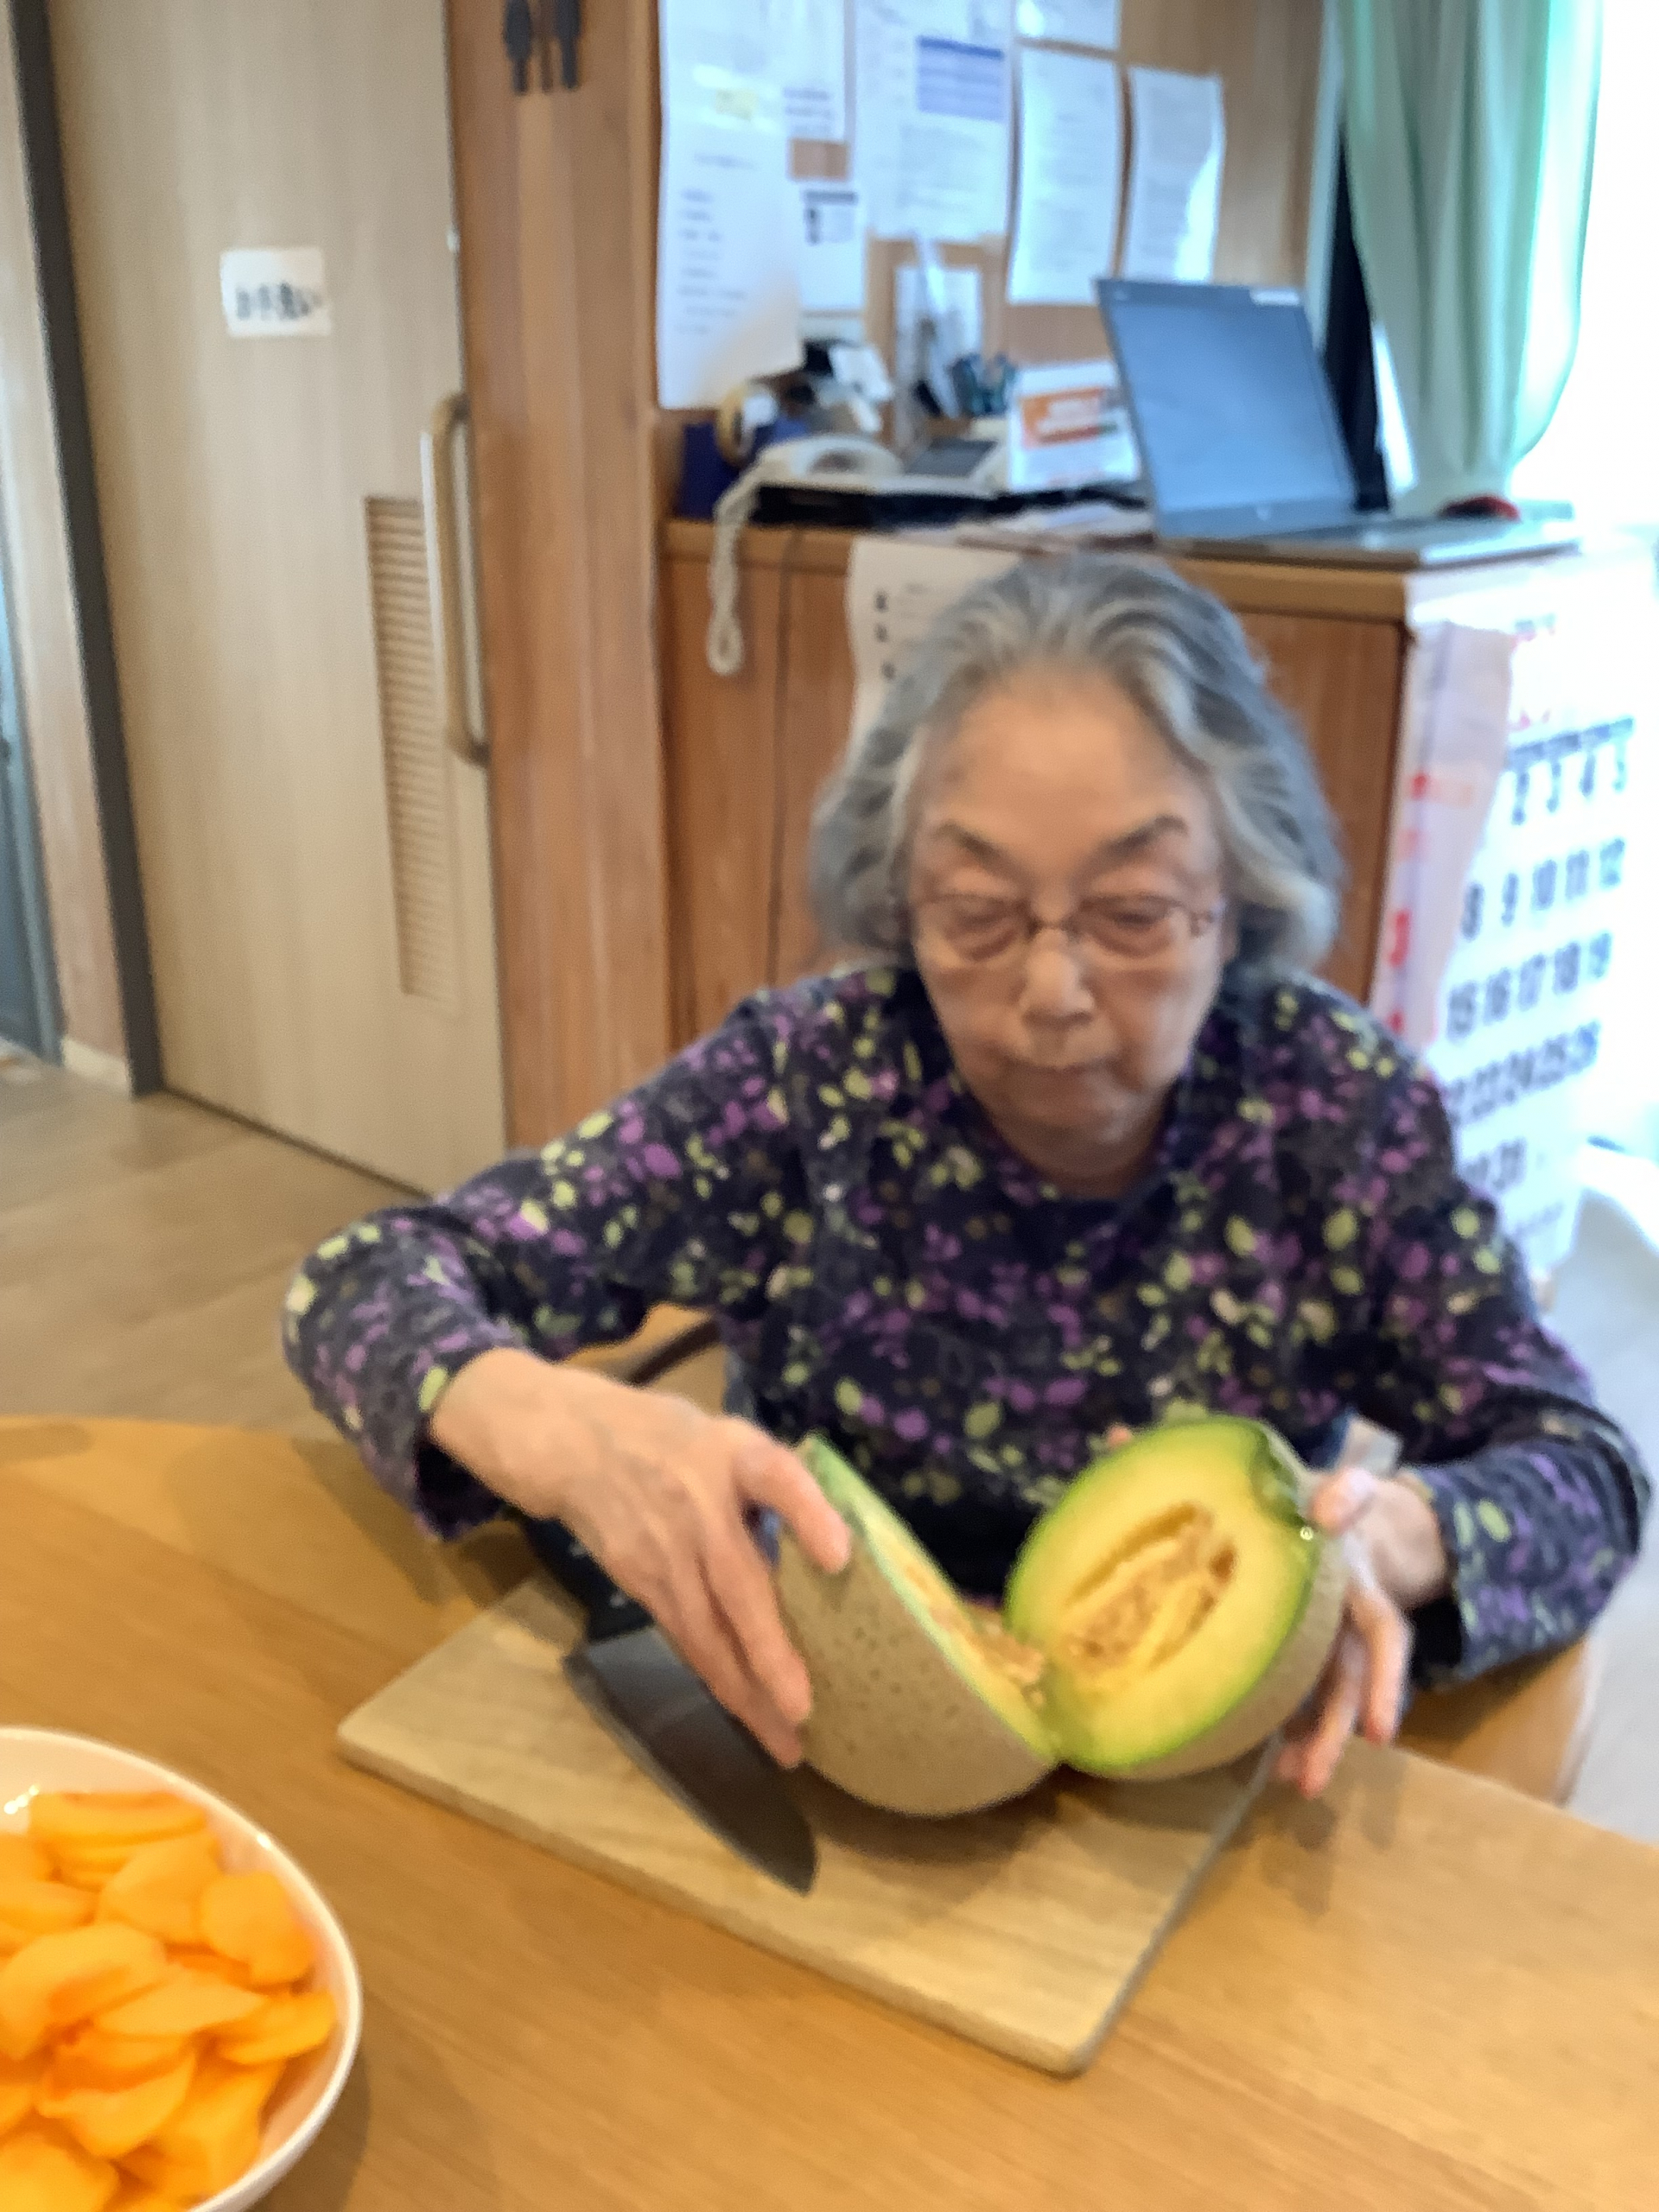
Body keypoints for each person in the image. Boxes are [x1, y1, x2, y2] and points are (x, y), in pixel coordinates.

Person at [284, 556, 1648, 1799]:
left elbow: (1585, 1466)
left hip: (1207, 1793)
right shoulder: (808, 1086)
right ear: (897, 901)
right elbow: (359, 1281)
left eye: (1133, 912)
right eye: (977, 914)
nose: (1051, 992)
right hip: (827, 1753)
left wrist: (1393, 1536)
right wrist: (552, 1421)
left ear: (1237, 895)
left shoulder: (1335, 1113)